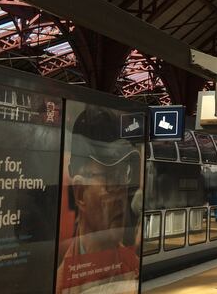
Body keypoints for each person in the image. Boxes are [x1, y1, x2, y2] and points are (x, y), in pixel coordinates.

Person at [56, 106, 141, 294]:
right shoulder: (60, 283)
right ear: (80, 193)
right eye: (110, 179)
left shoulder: (134, 268)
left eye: (123, 175)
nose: (120, 194)